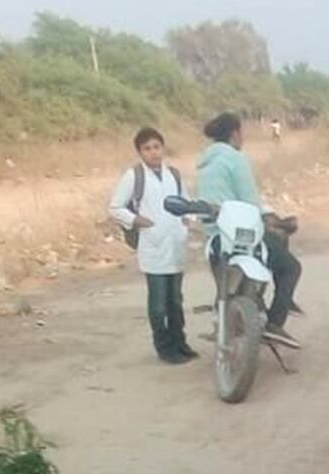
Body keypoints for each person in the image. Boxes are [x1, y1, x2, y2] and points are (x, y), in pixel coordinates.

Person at [195, 113, 303, 349]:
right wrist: (275, 220)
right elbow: (250, 202)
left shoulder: (204, 164)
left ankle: (226, 318)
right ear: (235, 134)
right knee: (291, 267)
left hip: (215, 239)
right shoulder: (235, 159)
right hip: (240, 235)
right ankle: (276, 321)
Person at [108, 127, 194, 363]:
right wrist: (137, 220)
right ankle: (164, 347)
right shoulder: (134, 176)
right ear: (140, 152)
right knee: (158, 302)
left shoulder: (173, 174)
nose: (153, 153)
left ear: (163, 148)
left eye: (157, 147)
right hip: (153, 244)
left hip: (175, 242)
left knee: (175, 300)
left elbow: (186, 203)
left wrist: (188, 220)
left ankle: (181, 343)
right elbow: (115, 207)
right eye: (147, 149)